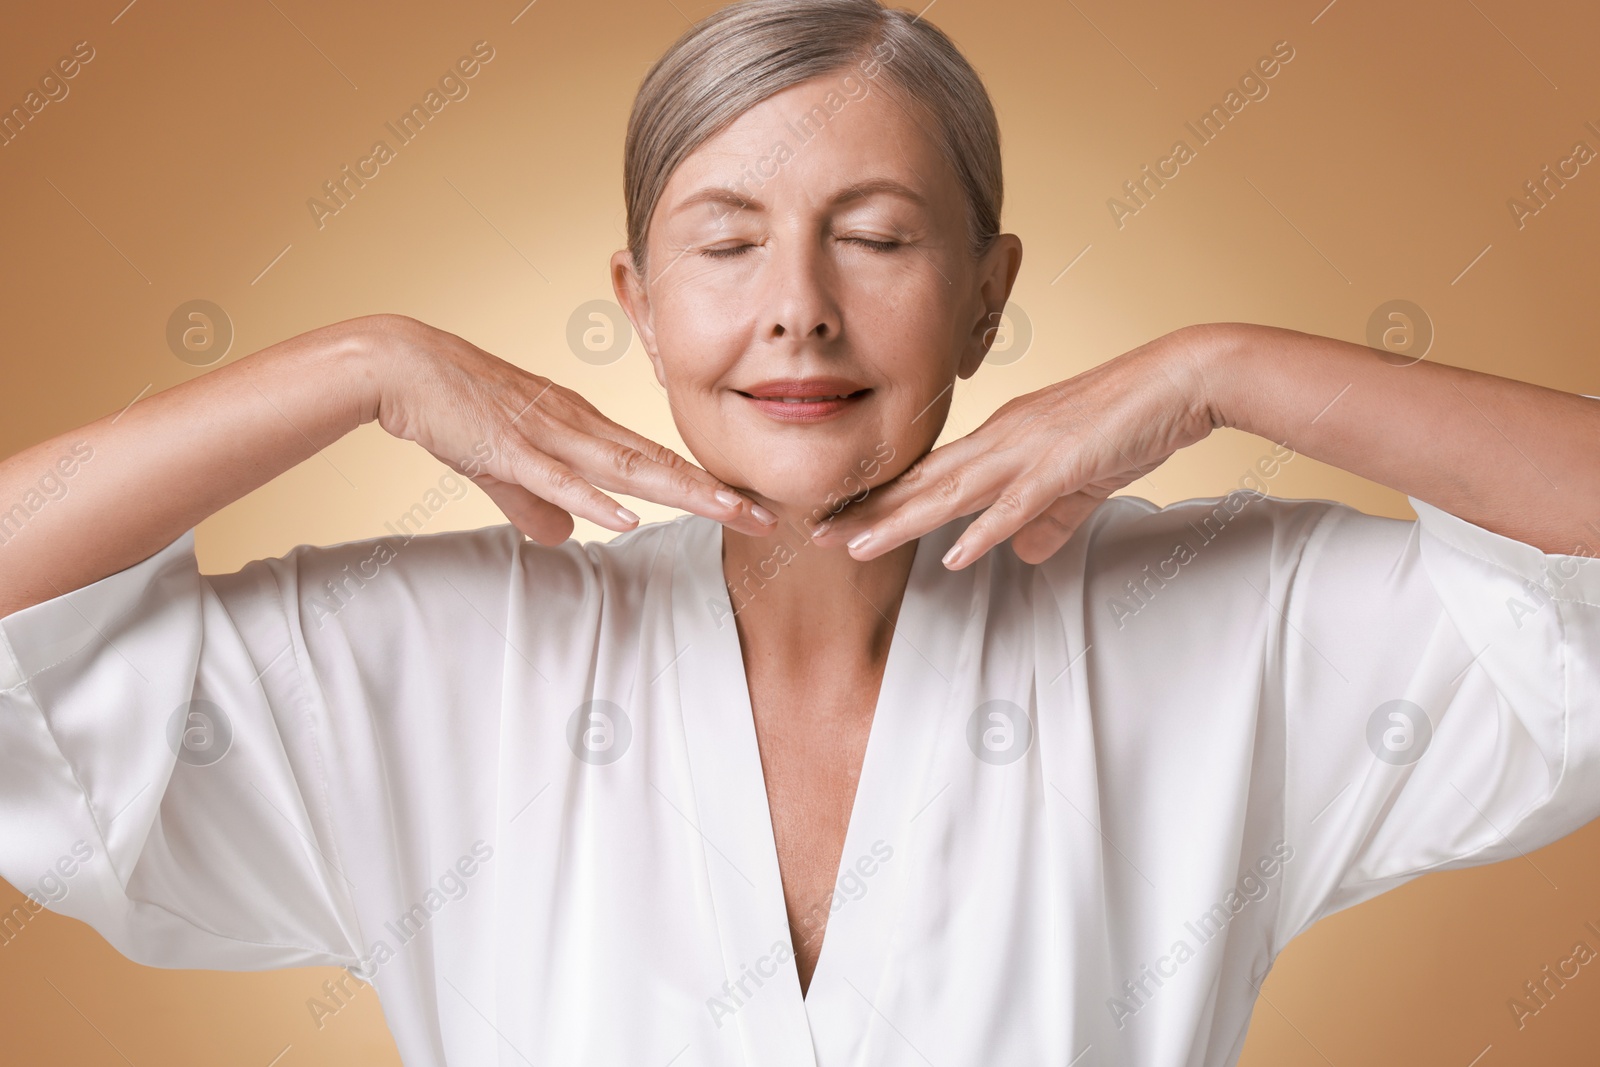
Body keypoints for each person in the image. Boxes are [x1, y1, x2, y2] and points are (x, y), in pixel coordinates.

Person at [1, 0, 1597, 1063]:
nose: (798, 315)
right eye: (727, 242)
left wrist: (1221, 369)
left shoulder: (1221, 621)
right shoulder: (442, 653)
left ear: (989, 296)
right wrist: (353, 369)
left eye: (879, 238)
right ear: (636, 300)